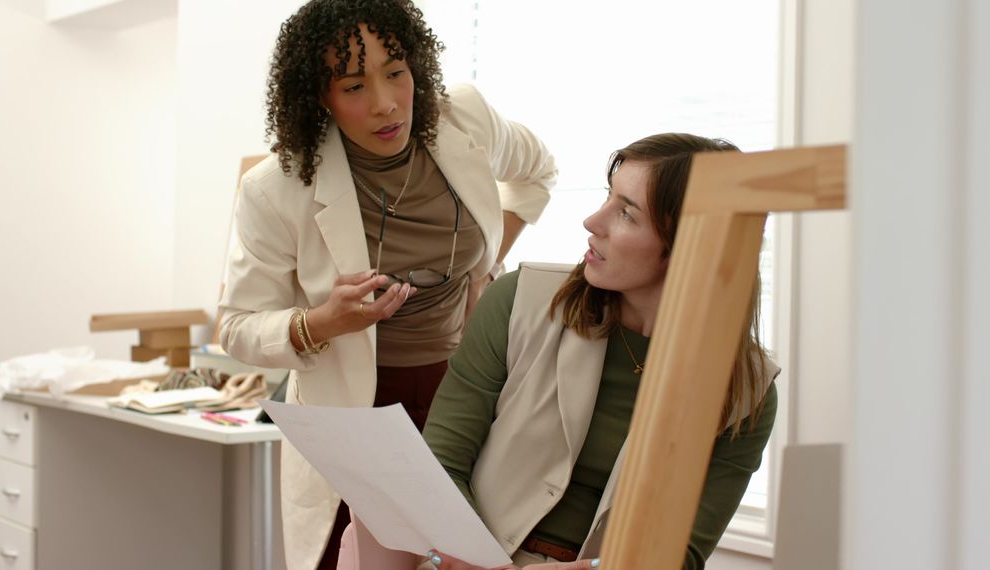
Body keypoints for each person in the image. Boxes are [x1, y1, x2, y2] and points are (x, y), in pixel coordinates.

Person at [217, 0, 557, 568]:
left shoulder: (463, 119)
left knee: (467, 557)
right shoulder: (275, 187)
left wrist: (484, 267)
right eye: (353, 86)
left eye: (396, 73)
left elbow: (537, 172)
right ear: (317, 98)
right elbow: (236, 327)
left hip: (464, 394)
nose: (385, 103)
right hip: (357, 416)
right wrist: (321, 322)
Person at [420, 133, 778, 570]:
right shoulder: (520, 301)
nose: (593, 221)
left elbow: (679, 555)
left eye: (626, 213)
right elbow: (441, 463)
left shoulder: (746, 392)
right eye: (608, 198)